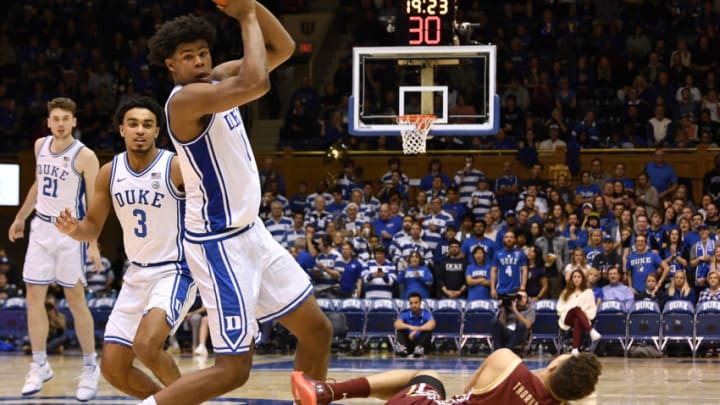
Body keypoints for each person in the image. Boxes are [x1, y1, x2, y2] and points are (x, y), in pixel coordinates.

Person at [145, 4, 332, 404]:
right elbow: (258, 82)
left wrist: (253, 5)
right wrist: (245, 18)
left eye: (202, 52)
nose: (198, 61)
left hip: (252, 234)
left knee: (317, 331)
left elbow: (281, 47)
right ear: (171, 66)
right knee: (234, 370)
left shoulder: (216, 79)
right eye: (187, 56)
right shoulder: (183, 102)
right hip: (219, 243)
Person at [54, 97, 197, 399]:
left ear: (158, 130)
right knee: (114, 368)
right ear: (121, 130)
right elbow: (91, 226)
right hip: (136, 274)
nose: (140, 130)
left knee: (147, 345)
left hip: (175, 270)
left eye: (147, 124)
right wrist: (73, 230)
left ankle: (186, 400)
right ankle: (167, 400)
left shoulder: (175, 166)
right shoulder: (109, 172)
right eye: (133, 124)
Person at [7, 97, 101, 400]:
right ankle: (39, 364)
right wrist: (21, 216)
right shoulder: (39, 146)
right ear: (48, 122)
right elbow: (38, 183)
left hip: (69, 230)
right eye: (55, 118)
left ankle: (90, 366)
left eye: (66, 118)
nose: (60, 123)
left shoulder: (85, 156)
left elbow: (95, 205)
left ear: (74, 122)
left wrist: (93, 243)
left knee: (75, 300)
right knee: (33, 298)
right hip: (41, 229)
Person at [291, 348, 601, 405]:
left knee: (427, 376)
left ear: (552, 367)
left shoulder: (507, 361)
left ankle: (327, 393)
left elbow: (465, 392)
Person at [556, 270, 602, 356]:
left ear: (582, 279)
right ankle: (591, 330)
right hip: (567, 318)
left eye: (579, 277)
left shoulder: (588, 292)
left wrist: (582, 313)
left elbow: (592, 308)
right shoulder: (565, 292)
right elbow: (560, 307)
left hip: (581, 319)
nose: (576, 279)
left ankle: (575, 349)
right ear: (571, 279)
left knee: (577, 318)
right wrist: (572, 310)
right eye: (574, 277)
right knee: (576, 309)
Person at [393, 292, 435, 358]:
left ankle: (419, 349)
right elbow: (396, 324)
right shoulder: (405, 314)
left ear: (420, 303)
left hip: (421, 343)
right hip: (409, 342)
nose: (413, 305)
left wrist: (418, 329)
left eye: (416, 303)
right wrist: (410, 327)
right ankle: (402, 348)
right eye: (411, 303)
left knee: (428, 331)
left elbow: (432, 324)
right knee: (400, 329)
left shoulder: (426, 313)